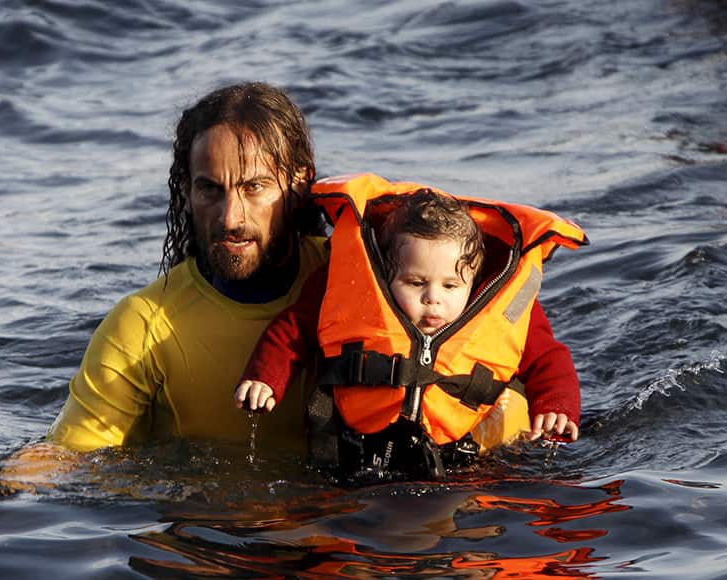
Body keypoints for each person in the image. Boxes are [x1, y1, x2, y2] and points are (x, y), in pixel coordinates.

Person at [235, 174, 586, 481]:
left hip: (467, 461)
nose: (433, 299)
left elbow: (548, 359)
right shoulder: (351, 289)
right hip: (355, 454)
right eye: (416, 282)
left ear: (473, 281)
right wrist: (266, 378)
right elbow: (294, 329)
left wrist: (556, 407)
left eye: (450, 286)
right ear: (387, 273)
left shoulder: (498, 307)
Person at [43, 82, 328, 453]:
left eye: (254, 187)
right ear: (187, 194)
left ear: (299, 183)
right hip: (201, 511)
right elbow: (67, 460)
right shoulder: (143, 325)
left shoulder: (362, 281)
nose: (230, 218)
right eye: (210, 189)